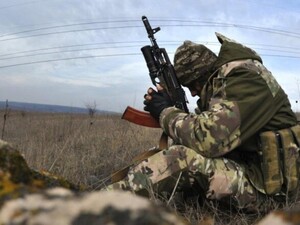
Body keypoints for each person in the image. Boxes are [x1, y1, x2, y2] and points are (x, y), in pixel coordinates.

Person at [103, 32, 300, 212]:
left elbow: (206, 141)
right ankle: (116, 186)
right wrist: (173, 109)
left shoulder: (246, 77)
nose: (194, 93)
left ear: (204, 75)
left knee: (180, 157)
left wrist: (165, 112)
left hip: (271, 192)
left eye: (193, 86)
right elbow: (201, 127)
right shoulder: (228, 83)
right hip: (252, 173)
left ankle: (102, 202)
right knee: (170, 150)